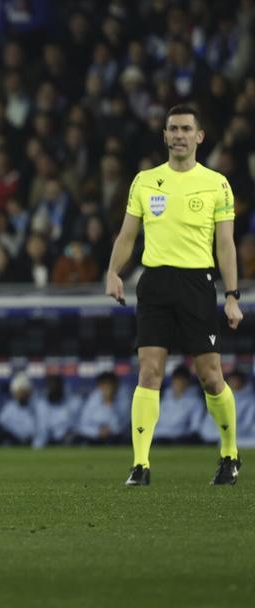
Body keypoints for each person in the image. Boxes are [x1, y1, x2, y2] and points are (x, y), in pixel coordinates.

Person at [105, 104, 243, 486]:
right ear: (164, 136)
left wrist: (231, 295)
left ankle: (230, 455)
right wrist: (113, 272)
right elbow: (127, 235)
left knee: (210, 376)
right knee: (149, 370)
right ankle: (140, 465)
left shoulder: (217, 184)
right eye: (172, 129)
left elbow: (226, 245)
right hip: (155, 284)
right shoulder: (145, 181)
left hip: (198, 284)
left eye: (186, 128)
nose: (179, 135)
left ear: (199, 136)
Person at [153, 365, 205, 444]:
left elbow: (195, 427)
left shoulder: (195, 401)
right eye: (176, 381)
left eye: (181, 381)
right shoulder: (164, 397)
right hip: (158, 435)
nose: (178, 384)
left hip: (179, 438)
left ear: (187, 382)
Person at [74, 372, 127, 443]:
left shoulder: (124, 397)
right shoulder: (93, 398)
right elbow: (83, 425)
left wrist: (109, 403)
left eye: (110, 384)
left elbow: (122, 426)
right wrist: (97, 432)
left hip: (116, 438)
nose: (107, 387)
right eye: (104, 384)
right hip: (94, 437)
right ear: (99, 386)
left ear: (115, 385)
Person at [0, 373, 39, 446]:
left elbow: (40, 429)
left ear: (29, 392)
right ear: (14, 392)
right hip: (14, 442)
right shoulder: (9, 408)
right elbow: (1, 423)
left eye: (24, 391)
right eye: (19, 391)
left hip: (32, 442)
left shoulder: (37, 407)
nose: (22, 394)